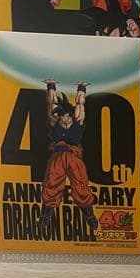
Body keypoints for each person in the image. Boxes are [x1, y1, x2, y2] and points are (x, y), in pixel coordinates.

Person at [39, 80, 98, 234]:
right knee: (51, 185)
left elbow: (80, 105)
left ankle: (89, 215)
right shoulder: (55, 123)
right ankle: (45, 216)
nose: (66, 119)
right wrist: (51, 86)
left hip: (74, 157)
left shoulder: (77, 123)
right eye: (63, 117)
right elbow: (52, 103)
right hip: (57, 158)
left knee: (81, 185)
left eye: (68, 116)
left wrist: (81, 88)